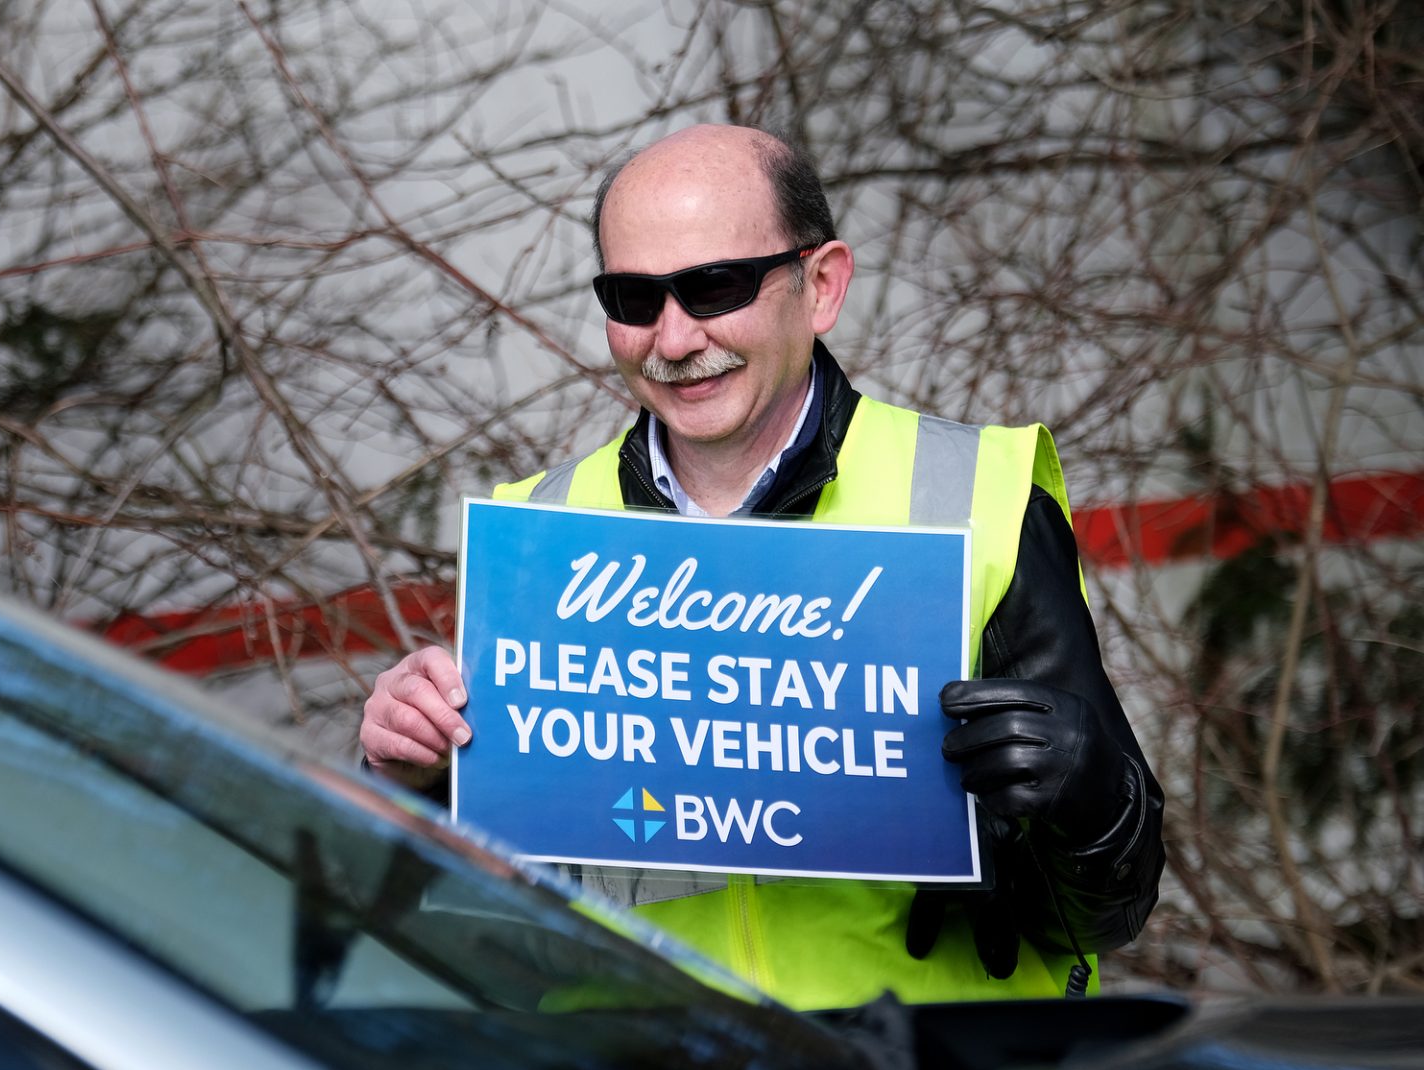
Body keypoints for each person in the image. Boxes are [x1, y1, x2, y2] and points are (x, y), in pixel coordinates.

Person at [360, 123, 1164, 1009]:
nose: (672, 337)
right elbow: (467, 933)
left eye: (714, 287)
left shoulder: (982, 498)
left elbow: (1107, 915)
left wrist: (1089, 794)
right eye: (633, 297)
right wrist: (414, 778)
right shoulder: (537, 535)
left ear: (821, 285)